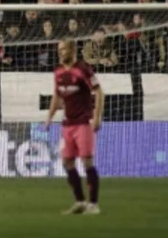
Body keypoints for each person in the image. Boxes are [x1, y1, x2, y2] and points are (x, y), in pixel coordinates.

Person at [45, 40, 105, 215]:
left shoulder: (83, 69)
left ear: (72, 50)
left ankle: (93, 204)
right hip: (67, 124)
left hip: (83, 122)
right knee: (67, 162)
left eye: (64, 49)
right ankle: (79, 201)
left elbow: (99, 92)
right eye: (59, 49)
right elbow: (57, 95)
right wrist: (49, 117)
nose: (61, 52)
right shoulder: (57, 71)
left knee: (87, 161)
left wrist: (97, 116)